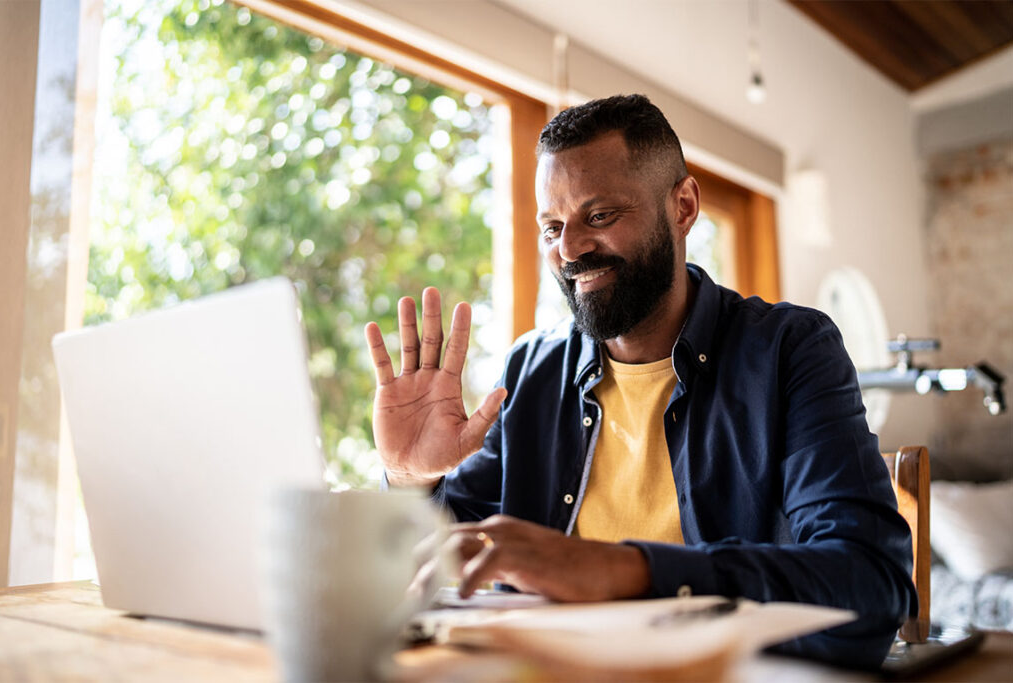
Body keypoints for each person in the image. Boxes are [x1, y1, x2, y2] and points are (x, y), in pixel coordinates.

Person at [364, 94, 915, 667]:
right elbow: (443, 563)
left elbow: (869, 588)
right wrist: (408, 481)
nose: (570, 249)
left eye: (599, 217)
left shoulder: (790, 350)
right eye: (552, 227)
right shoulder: (530, 367)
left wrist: (623, 569)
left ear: (682, 206)